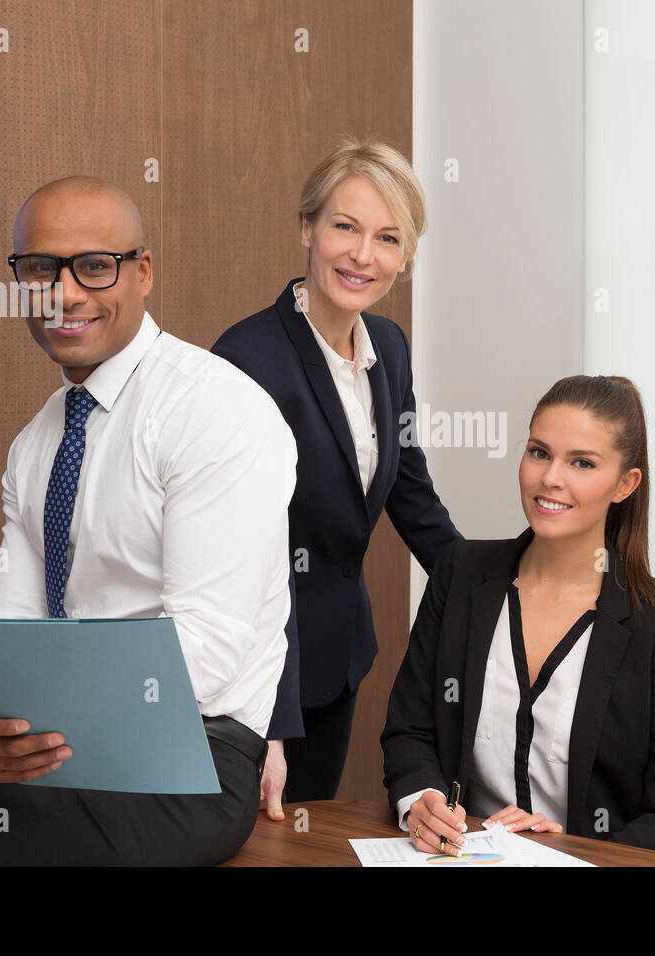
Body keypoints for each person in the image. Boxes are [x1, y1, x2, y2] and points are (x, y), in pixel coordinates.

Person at [0, 177, 296, 865]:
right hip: (61, 757)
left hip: (189, 768)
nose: (63, 295)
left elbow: (205, 659)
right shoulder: (36, 444)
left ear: (143, 271)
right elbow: (13, 634)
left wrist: (41, 723)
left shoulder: (216, 411)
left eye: (95, 266)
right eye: (39, 269)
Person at [213, 137, 460, 811]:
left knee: (306, 840)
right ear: (307, 228)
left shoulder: (390, 348)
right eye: (344, 227)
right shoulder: (247, 359)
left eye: (387, 237)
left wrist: (488, 591)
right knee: (257, 842)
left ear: (403, 257)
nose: (362, 254)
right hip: (263, 677)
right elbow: (243, 558)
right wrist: (272, 724)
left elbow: (410, 493)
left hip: (340, 657)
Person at [382, 375, 655, 855]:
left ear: (625, 484)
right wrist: (422, 801)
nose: (550, 478)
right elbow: (410, 728)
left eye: (581, 463)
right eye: (539, 452)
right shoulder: (460, 573)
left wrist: (574, 852)